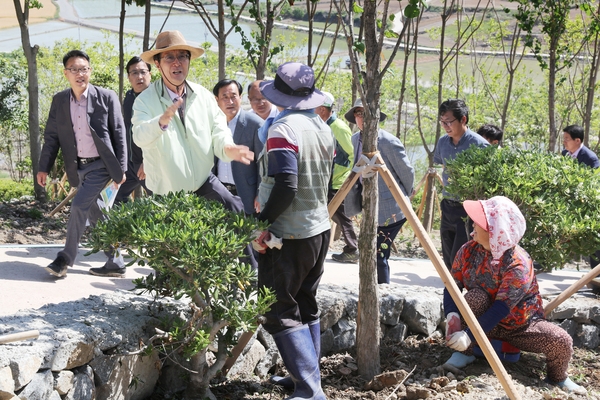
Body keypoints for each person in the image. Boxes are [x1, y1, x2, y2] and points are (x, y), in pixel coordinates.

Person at [132, 31, 257, 269]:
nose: (177, 62)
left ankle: (249, 274)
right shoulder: (145, 101)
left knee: (234, 211)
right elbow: (139, 136)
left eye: (182, 56)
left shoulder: (203, 96)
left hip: (203, 180)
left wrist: (228, 148)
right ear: (157, 64)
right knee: (174, 253)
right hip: (167, 189)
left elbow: (219, 130)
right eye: (170, 58)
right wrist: (161, 120)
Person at [442, 196, 587, 395]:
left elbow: (502, 308)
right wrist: (453, 316)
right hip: (479, 320)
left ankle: (558, 377)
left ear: (495, 232)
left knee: (560, 340)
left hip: (518, 327)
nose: (472, 226)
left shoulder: (518, 263)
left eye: (479, 224)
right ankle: (465, 352)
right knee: (476, 297)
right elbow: (452, 285)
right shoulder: (468, 250)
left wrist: (468, 335)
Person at [253, 62, 334, 399]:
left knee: (277, 310)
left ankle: (310, 389)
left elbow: (286, 183)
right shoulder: (321, 125)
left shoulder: (282, 129)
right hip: (318, 227)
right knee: (304, 303)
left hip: (288, 234)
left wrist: (262, 224)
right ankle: (305, 378)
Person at [37, 49, 127, 278]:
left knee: (78, 206)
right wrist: (43, 167)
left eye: (84, 69)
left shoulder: (106, 97)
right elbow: (51, 137)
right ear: (66, 73)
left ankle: (64, 259)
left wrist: (122, 168)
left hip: (102, 166)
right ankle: (115, 262)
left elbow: (119, 132)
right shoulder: (59, 101)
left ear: (90, 71)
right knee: (97, 215)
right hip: (78, 168)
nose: (80, 74)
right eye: (74, 69)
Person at [344, 99, 415, 284]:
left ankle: (382, 294)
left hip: (391, 208)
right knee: (371, 253)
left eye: (366, 113)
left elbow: (406, 173)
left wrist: (404, 196)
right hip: (369, 206)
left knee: (378, 254)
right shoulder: (354, 139)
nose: (362, 118)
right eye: (358, 114)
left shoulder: (388, 141)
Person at [434, 99, 489, 270]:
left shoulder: (479, 145)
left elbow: (487, 180)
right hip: (448, 204)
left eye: (449, 122)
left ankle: (459, 294)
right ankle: (451, 292)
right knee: (448, 258)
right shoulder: (443, 142)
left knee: (461, 259)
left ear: (463, 119)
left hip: (468, 208)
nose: (445, 126)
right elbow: (443, 166)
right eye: (442, 122)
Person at [315, 92, 358, 263]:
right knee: (333, 215)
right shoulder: (322, 125)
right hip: (324, 179)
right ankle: (348, 247)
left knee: (341, 216)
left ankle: (352, 248)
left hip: (337, 180)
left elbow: (352, 153)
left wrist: (345, 176)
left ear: (323, 110)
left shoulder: (338, 127)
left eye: (315, 108)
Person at [212, 79, 264, 215]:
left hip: (246, 194)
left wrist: (261, 193)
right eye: (225, 97)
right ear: (216, 100)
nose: (230, 102)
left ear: (240, 98)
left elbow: (264, 164)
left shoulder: (255, 124)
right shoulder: (212, 124)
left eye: (233, 96)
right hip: (219, 192)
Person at [561, 124, 600, 269]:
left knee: (592, 239)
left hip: (586, 206)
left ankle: (596, 273)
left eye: (567, 139)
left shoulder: (590, 158)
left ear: (577, 140)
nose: (564, 142)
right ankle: (545, 259)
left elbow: (595, 182)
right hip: (567, 201)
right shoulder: (565, 154)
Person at [114, 56, 152, 204]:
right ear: (129, 77)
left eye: (143, 72)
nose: (139, 77)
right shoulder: (129, 97)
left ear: (150, 74)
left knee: (161, 200)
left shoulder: (156, 99)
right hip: (130, 163)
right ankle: (128, 224)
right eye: (134, 73)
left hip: (148, 164)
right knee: (116, 196)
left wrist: (147, 162)